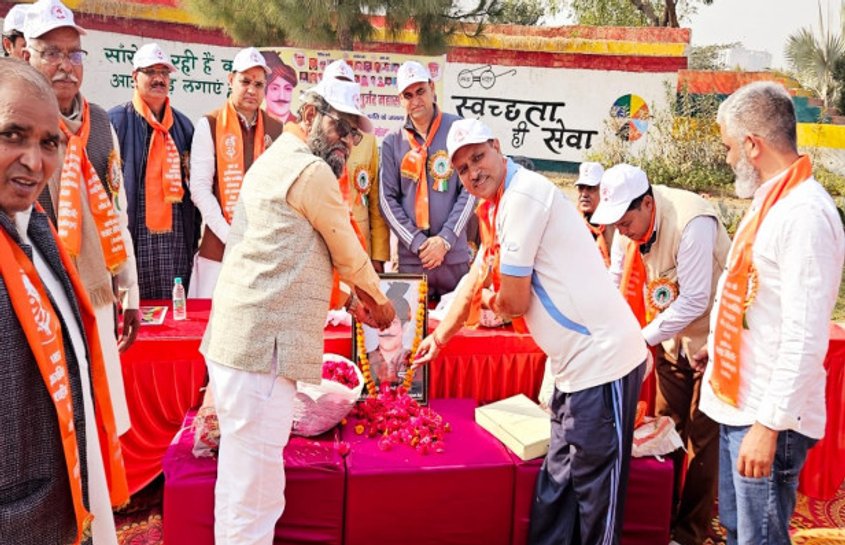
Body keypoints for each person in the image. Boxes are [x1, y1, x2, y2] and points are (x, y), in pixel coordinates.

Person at [414, 119, 648, 545]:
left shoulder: (522, 197)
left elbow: (514, 302)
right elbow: (475, 274)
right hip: (571, 370)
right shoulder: (495, 207)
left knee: (597, 498)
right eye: (463, 169)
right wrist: (441, 337)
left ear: (499, 148)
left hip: (603, 365)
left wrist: (488, 303)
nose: (473, 173)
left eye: (479, 158)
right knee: (557, 486)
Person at [201, 75, 395, 545]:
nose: (347, 144)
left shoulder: (275, 160)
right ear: (308, 114)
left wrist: (349, 302)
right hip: (260, 354)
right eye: (340, 128)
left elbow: (294, 258)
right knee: (258, 492)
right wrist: (383, 305)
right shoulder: (310, 172)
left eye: (354, 135)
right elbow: (346, 251)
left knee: (240, 483)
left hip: (242, 348)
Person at [697, 81, 845, 545]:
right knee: (742, 529)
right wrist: (716, 349)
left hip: (767, 416)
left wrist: (768, 427)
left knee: (759, 538)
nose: (726, 160)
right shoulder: (773, 200)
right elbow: (752, 297)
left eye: (727, 147)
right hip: (740, 400)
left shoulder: (804, 215)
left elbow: (805, 336)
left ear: (752, 145)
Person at [0, 57, 128, 545]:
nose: (35, 161)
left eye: (49, 142)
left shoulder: (36, 230)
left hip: (64, 503)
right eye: (13, 135)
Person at [590, 163, 731, 545]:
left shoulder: (692, 222)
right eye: (615, 224)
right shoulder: (626, 229)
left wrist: (639, 339)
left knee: (703, 441)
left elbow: (696, 299)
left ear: (648, 204)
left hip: (711, 343)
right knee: (667, 430)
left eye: (625, 222)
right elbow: (614, 279)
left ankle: (688, 533)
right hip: (668, 341)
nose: (622, 231)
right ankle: (659, 518)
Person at [24, 0, 137, 446]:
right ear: (25, 55)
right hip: (35, 288)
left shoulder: (101, 124)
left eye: (74, 54)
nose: (65, 66)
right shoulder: (16, 123)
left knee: (95, 408)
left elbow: (116, 210)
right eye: (51, 53)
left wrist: (128, 292)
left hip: (94, 287)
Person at [188, 47, 283, 298]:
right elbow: (199, 189)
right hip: (218, 249)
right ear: (231, 80)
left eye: (259, 84)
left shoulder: (277, 129)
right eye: (245, 81)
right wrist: (230, 236)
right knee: (210, 328)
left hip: (262, 250)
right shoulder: (209, 123)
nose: (252, 89)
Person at [108, 43, 199, 299]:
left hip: (176, 235)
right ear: (134, 77)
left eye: (164, 72)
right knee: (134, 303)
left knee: (175, 302)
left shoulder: (182, 126)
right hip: (135, 232)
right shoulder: (115, 121)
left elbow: (193, 185)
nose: (159, 78)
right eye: (151, 71)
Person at [380, 60, 475, 298]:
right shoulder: (392, 142)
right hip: (412, 260)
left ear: (432, 88)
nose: (416, 101)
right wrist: (418, 243)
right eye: (408, 95)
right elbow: (386, 200)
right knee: (411, 330)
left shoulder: (458, 129)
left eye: (420, 91)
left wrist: (445, 240)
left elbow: (471, 189)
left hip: (453, 257)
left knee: (458, 329)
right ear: (400, 100)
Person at [324, 59, 390, 272]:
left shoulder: (367, 140)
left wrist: (378, 256)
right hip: (322, 241)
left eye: (346, 86)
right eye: (336, 86)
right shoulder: (314, 135)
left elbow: (375, 202)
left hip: (359, 244)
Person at [367, 281, 413, 383]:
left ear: (404, 327)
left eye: (394, 323)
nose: (386, 329)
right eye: (382, 321)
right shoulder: (363, 361)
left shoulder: (415, 361)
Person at [574, 161, 615, 266]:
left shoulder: (616, 224)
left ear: (603, 191)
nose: (584, 194)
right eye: (581, 188)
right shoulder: (571, 221)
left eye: (591, 188)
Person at [261, 51, 297, 124]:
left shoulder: (300, 126)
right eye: (275, 88)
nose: (282, 96)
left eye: (288, 89)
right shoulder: (255, 124)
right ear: (264, 92)